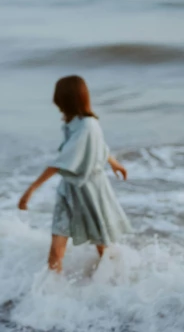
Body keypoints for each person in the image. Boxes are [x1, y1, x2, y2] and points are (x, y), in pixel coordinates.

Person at [18, 75, 132, 272]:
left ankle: (112, 286)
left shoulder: (88, 125)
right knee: (56, 249)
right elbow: (91, 148)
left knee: (102, 244)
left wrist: (31, 190)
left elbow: (65, 160)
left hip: (90, 190)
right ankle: (52, 293)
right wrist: (115, 163)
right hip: (70, 191)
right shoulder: (75, 123)